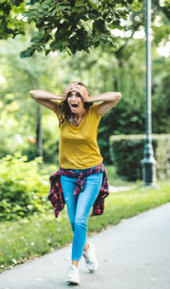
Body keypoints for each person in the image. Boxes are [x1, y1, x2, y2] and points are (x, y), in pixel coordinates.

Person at [29, 82, 121, 285]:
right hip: (68, 175)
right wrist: (61, 97)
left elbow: (116, 96)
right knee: (73, 222)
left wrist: (89, 99)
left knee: (80, 221)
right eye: (70, 95)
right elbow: (34, 93)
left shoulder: (94, 112)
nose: (73, 99)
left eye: (77, 95)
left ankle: (73, 267)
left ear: (84, 99)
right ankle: (87, 248)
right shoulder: (61, 113)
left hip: (92, 174)